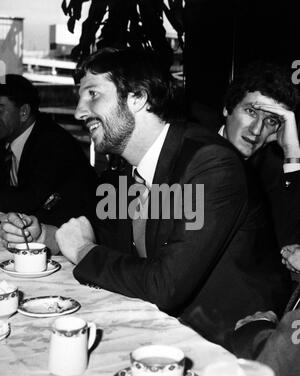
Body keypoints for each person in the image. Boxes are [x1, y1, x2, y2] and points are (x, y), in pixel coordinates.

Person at [0, 48, 292, 350]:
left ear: (138, 98)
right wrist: (43, 234)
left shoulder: (211, 164)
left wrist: (83, 249)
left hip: (226, 345)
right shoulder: (131, 170)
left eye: (93, 95)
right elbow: (109, 241)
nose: (79, 112)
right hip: (163, 327)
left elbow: (165, 285)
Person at [191, 61, 300, 247]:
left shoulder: (272, 175)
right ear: (227, 107)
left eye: (271, 121)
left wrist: (292, 152)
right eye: (251, 111)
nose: (257, 129)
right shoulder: (189, 144)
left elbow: (287, 242)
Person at [0, 74, 98, 226]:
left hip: (76, 235)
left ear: (24, 112)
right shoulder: (7, 140)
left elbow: (27, 202)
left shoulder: (53, 143)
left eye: (0, 110)